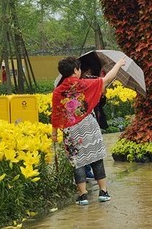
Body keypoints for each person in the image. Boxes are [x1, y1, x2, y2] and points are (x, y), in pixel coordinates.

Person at [51, 55, 126, 205]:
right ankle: (103, 192)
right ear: (75, 70)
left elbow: (55, 114)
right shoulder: (83, 84)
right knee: (96, 158)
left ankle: (83, 195)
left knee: (78, 162)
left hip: (71, 131)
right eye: (79, 68)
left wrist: (54, 134)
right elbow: (106, 80)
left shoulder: (58, 91)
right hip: (88, 126)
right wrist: (118, 64)